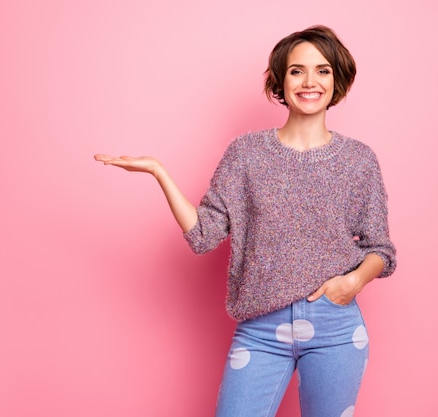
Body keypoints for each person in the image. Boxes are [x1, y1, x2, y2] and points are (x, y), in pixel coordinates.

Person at [94, 25, 396, 417]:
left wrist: (352, 282)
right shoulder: (247, 154)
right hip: (261, 329)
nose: (310, 81)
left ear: (337, 79)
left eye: (322, 70)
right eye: (296, 70)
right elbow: (203, 235)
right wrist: (158, 172)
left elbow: (380, 249)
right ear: (280, 80)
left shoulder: (359, 160)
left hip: (335, 327)